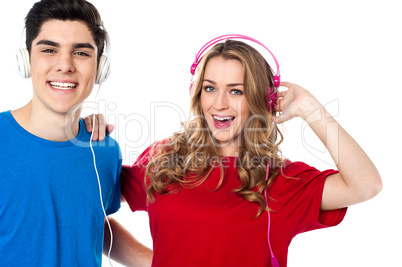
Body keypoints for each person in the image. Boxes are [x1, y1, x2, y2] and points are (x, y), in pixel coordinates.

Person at [89, 36, 382, 266]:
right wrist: (85, 132)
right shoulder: (165, 161)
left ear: (262, 99)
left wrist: (309, 107)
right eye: (210, 88)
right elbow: (88, 206)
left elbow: (366, 185)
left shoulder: (282, 183)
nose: (219, 104)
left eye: (236, 91)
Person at [0, 0, 151, 266]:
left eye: (81, 53)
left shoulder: (103, 150)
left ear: (100, 68)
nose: (65, 65)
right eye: (49, 49)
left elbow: (90, 225)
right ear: (26, 60)